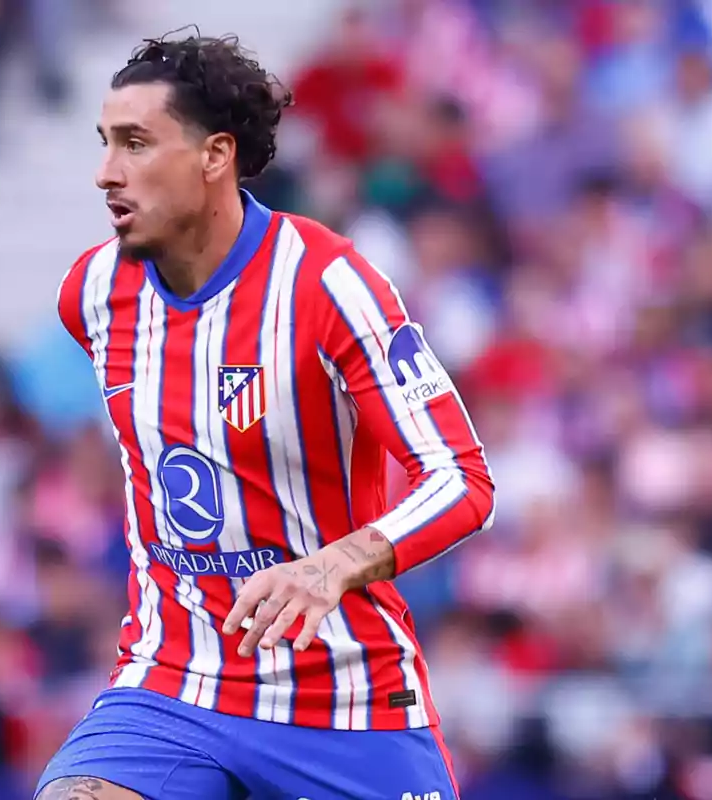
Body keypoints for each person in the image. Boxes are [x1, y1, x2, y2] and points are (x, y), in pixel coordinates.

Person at [37, 33, 496, 800]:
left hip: (342, 698)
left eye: (136, 144)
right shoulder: (92, 295)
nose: (106, 173)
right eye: (105, 144)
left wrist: (331, 566)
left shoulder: (329, 286)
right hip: (175, 685)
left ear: (215, 156)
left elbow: (463, 478)